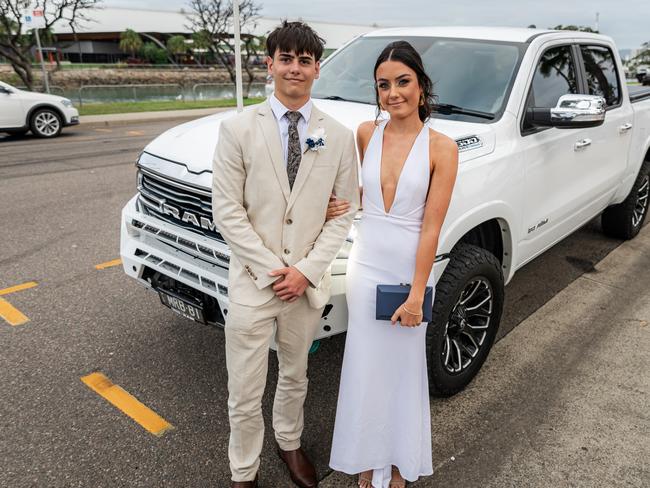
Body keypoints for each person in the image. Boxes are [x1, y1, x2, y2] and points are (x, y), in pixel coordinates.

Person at [212, 21, 360, 488]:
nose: (295, 67)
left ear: (317, 69)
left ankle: (289, 442)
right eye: (286, 58)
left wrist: (306, 272)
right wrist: (273, 270)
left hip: (305, 287)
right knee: (244, 388)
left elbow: (343, 212)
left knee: (296, 375)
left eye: (305, 60)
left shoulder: (337, 135)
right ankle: (244, 471)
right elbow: (227, 211)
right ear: (269, 63)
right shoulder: (236, 129)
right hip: (254, 284)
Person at [328, 41, 459, 488]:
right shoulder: (366, 133)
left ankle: (400, 464)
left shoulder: (443, 148)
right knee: (366, 368)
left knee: (403, 371)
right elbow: (366, 196)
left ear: (422, 87)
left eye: (403, 82)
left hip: (408, 273)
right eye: (383, 85)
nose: (393, 93)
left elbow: (430, 230)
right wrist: (338, 205)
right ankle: (368, 460)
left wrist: (418, 295)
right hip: (366, 267)